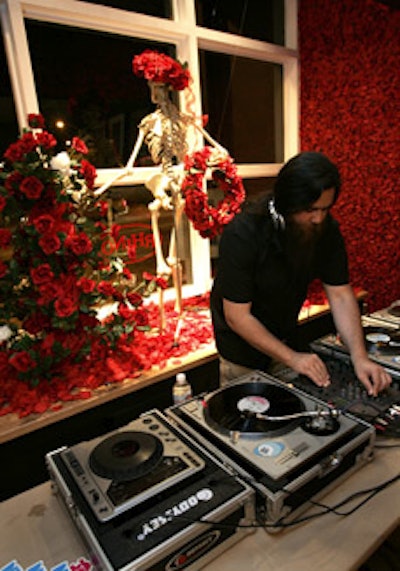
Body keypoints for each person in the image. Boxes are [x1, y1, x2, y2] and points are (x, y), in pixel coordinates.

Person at [210, 151, 392, 396]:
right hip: (241, 352)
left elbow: (340, 294)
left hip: (284, 336)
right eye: (310, 210)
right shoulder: (244, 232)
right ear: (288, 203)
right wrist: (293, 359)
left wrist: (360, 358)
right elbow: (237, 317)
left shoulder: (325, 229)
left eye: (325, 209)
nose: (318, 218)